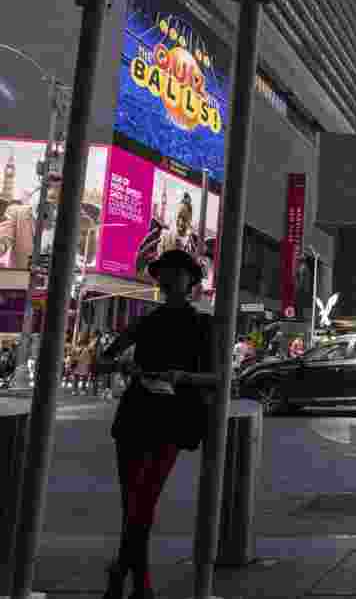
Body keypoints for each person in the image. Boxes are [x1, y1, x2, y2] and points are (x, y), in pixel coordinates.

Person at [99, 250, 217, 599]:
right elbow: (106, 358)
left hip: (171, 418)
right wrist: (124, 366)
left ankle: (125, 571)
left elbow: (216, 377)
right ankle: (136, 580)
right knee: (134, 503)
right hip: (136, 414)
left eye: (178, 273)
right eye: (165, 273)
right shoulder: (146, 321)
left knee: (143, 501)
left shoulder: (202, 325)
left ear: (190, 280)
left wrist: (182, 376)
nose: (170, 280)